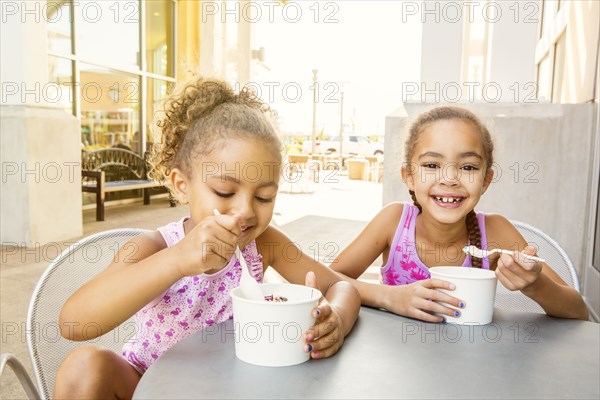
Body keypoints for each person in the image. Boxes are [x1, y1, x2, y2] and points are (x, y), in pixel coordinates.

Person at [54, 77, 361, 399]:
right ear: (182, 184)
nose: (245, 211)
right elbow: (74, 325)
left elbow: (340, 286)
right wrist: (177, 260)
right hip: (145, 386)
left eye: (265, 197)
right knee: (84, 366)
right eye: (224, 191)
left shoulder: (265, 245)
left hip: (233, 389)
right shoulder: (153, 247)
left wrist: (336, 318)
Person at [331, 106, 588, 323]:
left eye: (468, 167)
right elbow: (328, 280)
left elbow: (578, 311)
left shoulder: (496, 231)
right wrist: (387, 296)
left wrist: (535, 285)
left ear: (486, 180)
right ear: (409, 176)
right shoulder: (393, 222)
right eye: (432, 165)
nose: (450, 179)